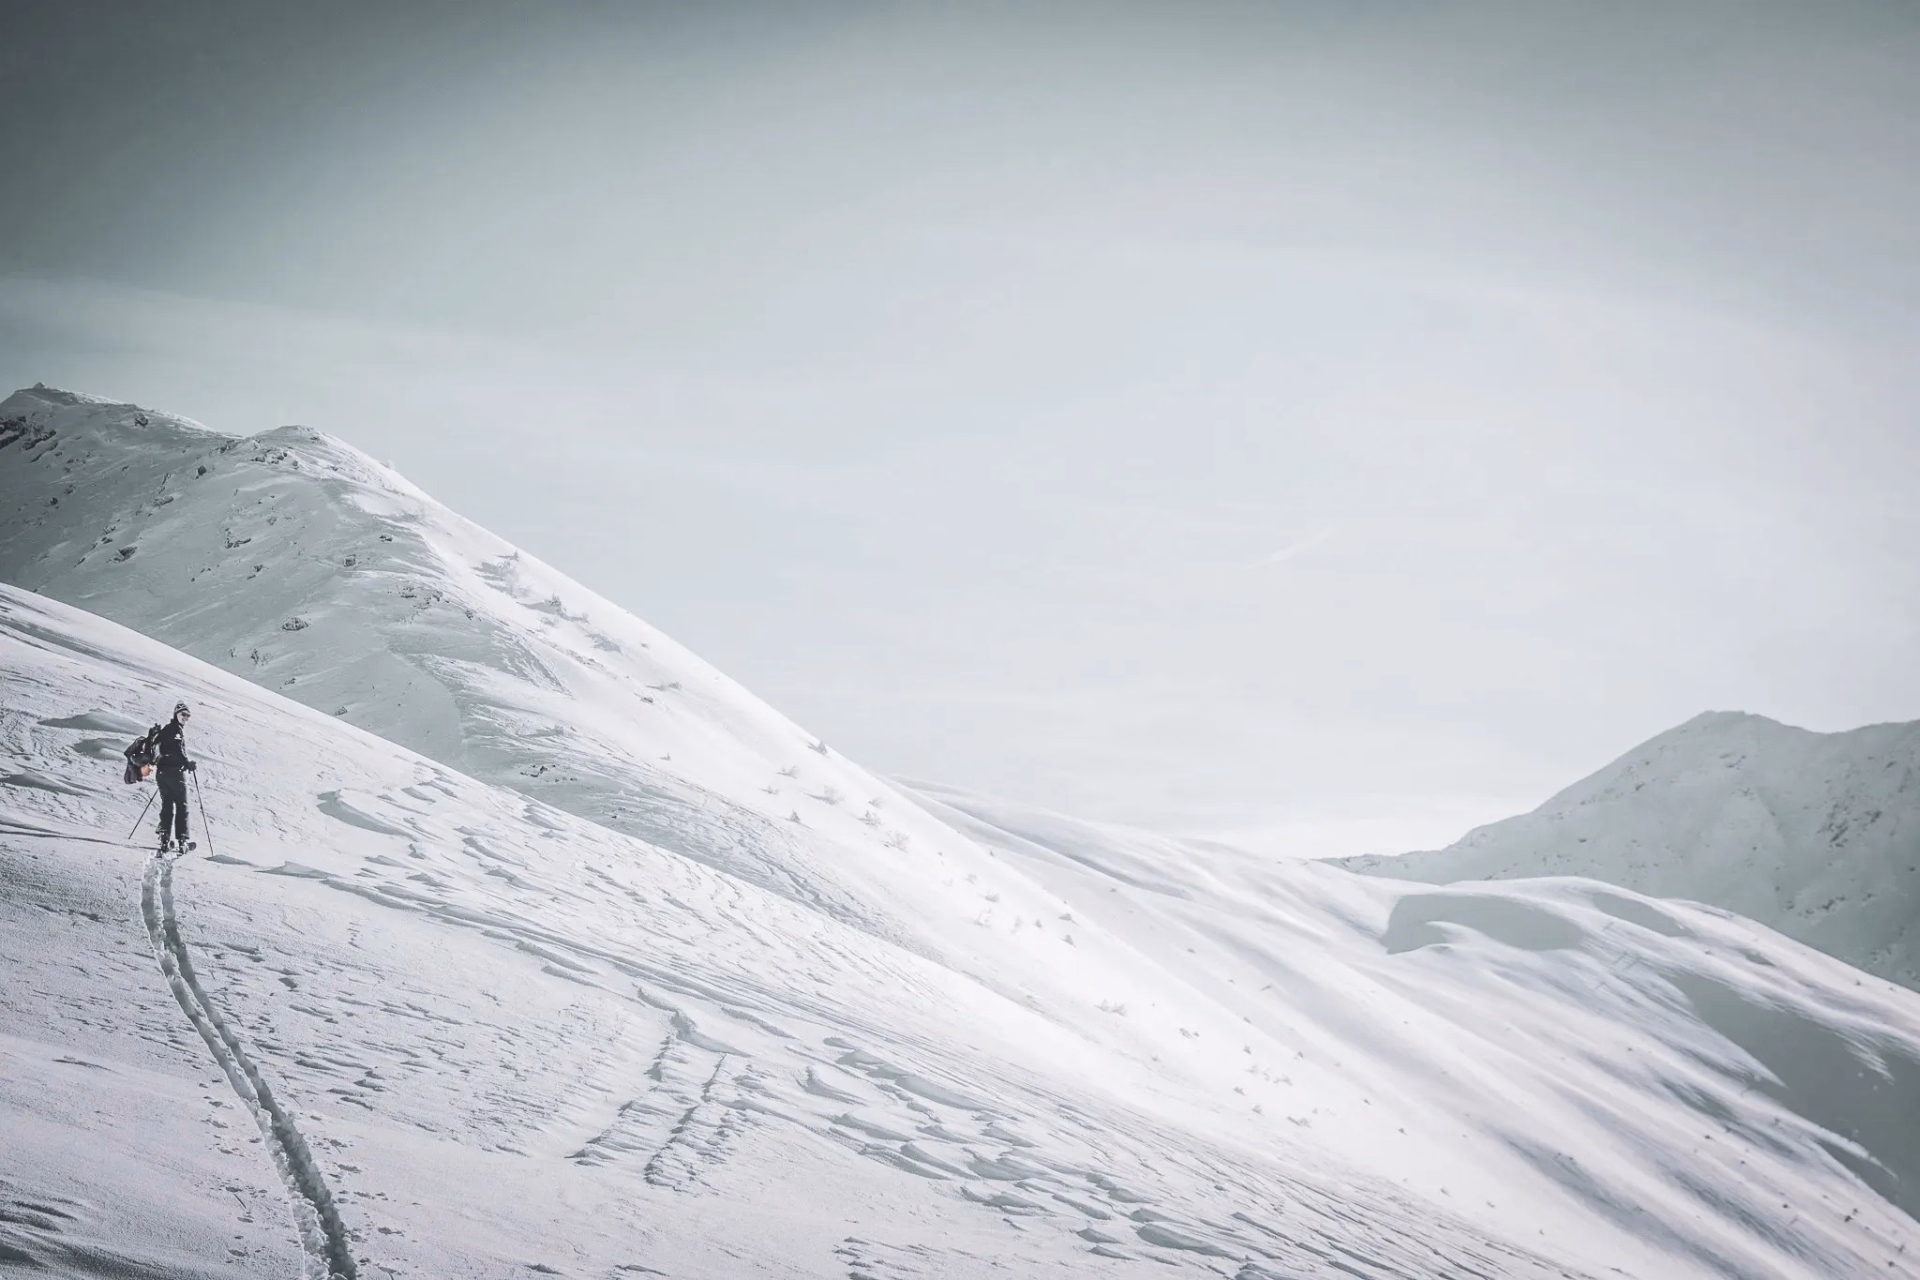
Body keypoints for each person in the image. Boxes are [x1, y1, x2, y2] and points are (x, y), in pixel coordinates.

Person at [146, 702, 198, 852]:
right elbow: (176, 751)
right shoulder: (175, 730)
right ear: (176, 714)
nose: (185, 718)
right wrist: (187, 763)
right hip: (175, 773)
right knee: (182, 806)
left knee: (167, 805)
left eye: (188, 715)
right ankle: (182, 841)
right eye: (183, 714)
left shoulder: (166, 730)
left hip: (162, 774)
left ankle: (164, 839)